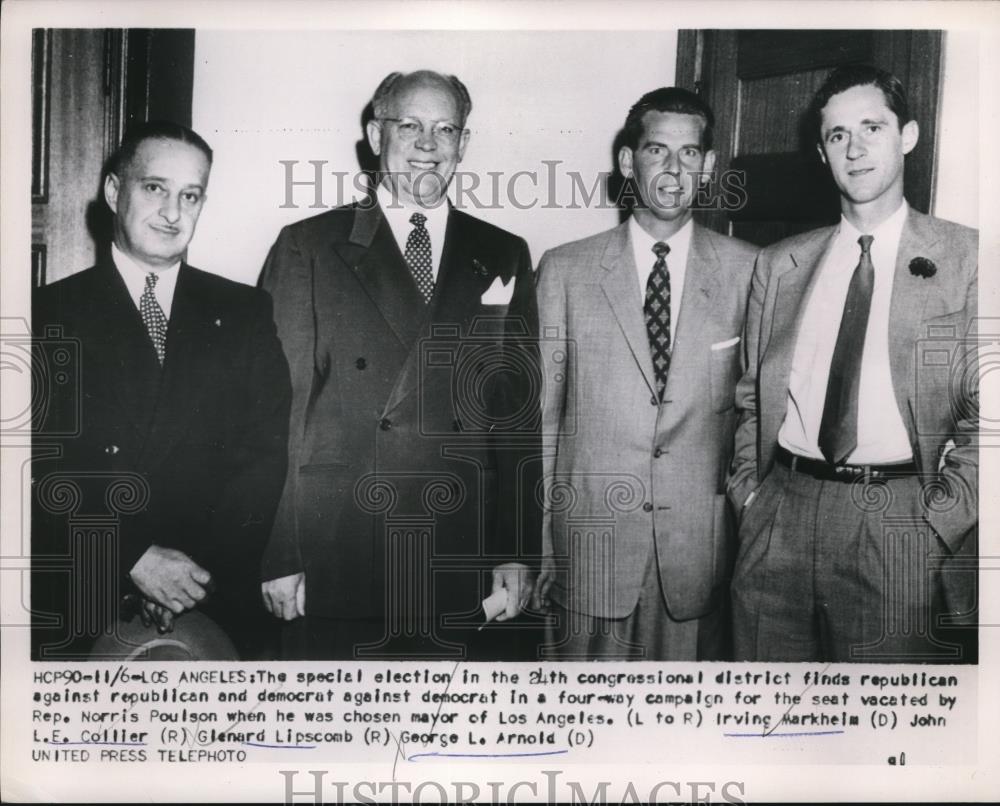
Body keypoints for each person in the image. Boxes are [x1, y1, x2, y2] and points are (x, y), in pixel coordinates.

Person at [259, 70, 541, 660]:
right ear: (375, 135)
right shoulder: (308, 246)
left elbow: (516, 419)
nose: (427, 144)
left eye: (446, 129)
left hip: (458, 550)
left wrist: (517, 550)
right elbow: (275, 413)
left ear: (464, 143)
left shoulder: (503, 252)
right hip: (339, 548)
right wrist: (279, 553)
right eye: (409, 125)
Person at [728, 65, 978, 663]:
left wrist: (940, 521)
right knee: (765, 708)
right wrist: (750, 497)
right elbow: (751, 397)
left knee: (881, 714)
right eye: (837, 135)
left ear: (908, 136)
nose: (855, 148)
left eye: (872, 127)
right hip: (780, 513)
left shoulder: (968, 258)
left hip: (899, 518)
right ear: (822, 153)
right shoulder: (780, 264)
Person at [31, 120, 291, 660]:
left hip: (210, 598)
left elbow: (263, 457)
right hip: (84, 593)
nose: (173, 212)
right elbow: (33, 466)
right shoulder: (44, 315)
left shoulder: (244, 312)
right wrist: (132, 559)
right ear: (113, 191)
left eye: (190, 195)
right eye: (155, 188)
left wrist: (190, 579)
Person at [532, 87, 757, 660]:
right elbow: (542, 422)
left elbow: (757, 418)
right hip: (588, 548)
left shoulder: (751, 270)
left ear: (708, 165)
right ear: (629, 162)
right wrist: (537, 544)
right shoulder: (565, 270)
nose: (674, 169)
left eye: (689, 153)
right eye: (658, 150)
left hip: (698, 554)